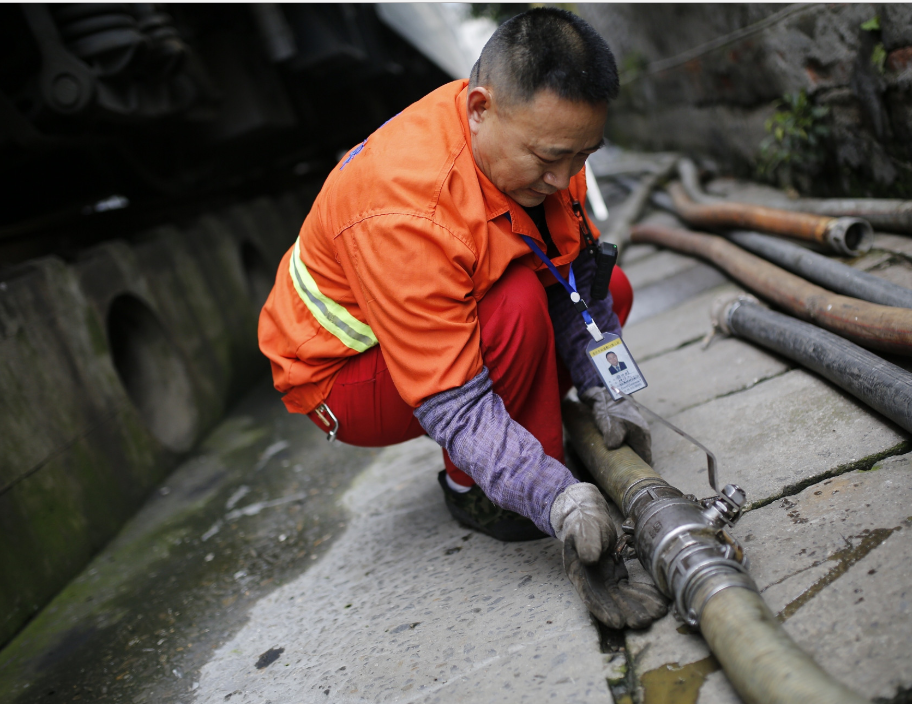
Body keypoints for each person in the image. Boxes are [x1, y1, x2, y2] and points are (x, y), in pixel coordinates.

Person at [258, 7, 664, 629]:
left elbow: (582, 289)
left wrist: (614, 389)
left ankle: (527, 444)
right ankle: (476, 494)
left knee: (611, 285)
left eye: (583, 155)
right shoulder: (405, 209)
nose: (564, 178)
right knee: (514, 306)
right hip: (341, 380)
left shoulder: (548, 147)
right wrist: (553, 498)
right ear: (479, 108)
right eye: (550, 158)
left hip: (427, 341)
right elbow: (456, 404)